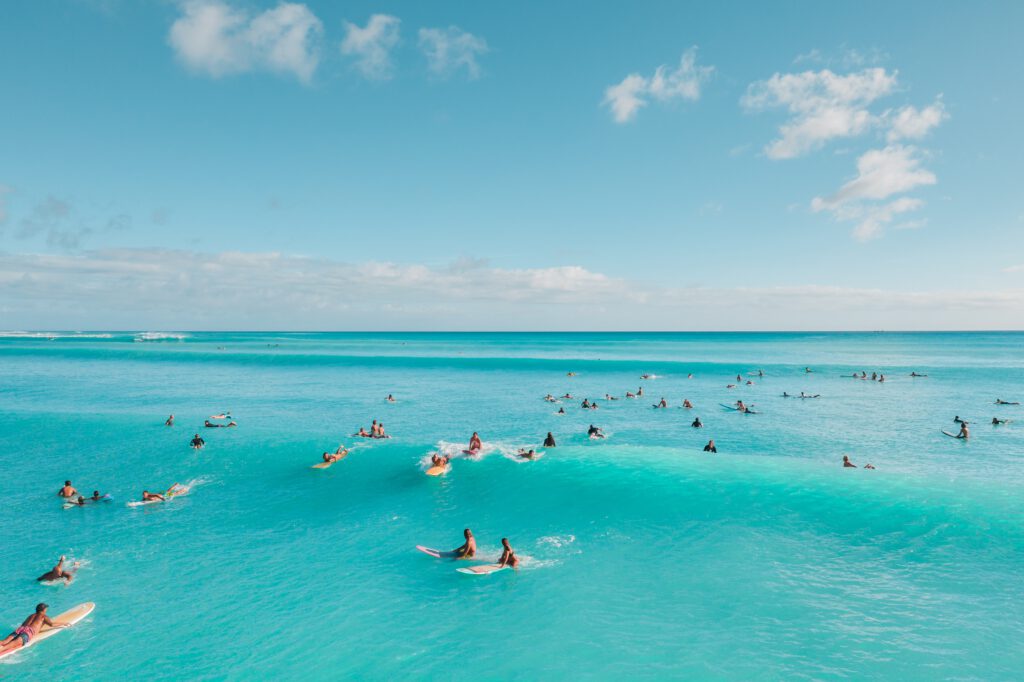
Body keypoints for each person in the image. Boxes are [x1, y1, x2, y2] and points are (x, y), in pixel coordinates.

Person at [0, 604, 67, 655]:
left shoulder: (31, 615)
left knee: (4, 641)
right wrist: (63, 623)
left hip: (20, 630)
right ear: (43, 610)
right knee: (7, 646)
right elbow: (51, 624)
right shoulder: (44, 617)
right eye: (46, 609)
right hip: (27, 633)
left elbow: (23, 624)